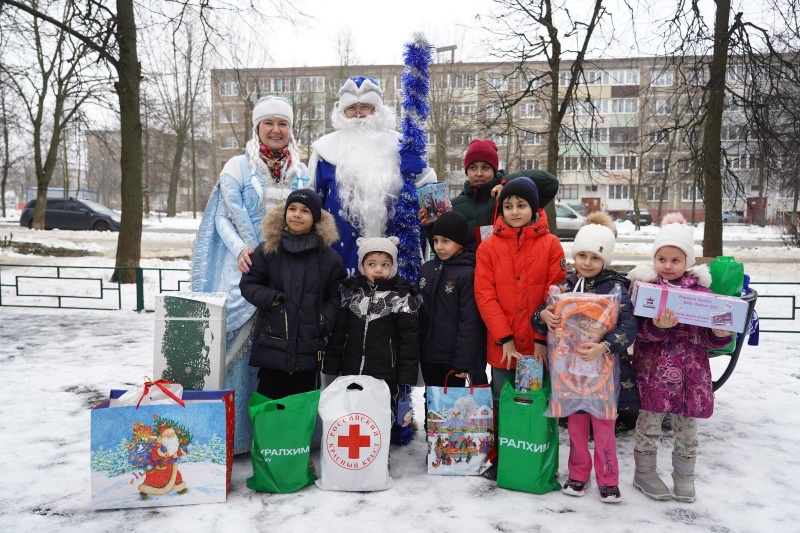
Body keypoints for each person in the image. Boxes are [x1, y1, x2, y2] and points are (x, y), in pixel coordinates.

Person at [191, 95, 310, 453]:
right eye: (269, 123)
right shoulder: (238, 166)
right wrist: (243, 248)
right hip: (243, 267)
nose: (276, 130)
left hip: (289, 270)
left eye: (283, 123)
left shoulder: (302, 171)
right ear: (257, 127)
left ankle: (279, 434)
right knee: (238, 352)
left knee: (285, 347)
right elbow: (221, 216)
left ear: (290, 129)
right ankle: (235, 437)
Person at [626, 212, 733, 503]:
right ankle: (644, 473)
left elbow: (711, 339)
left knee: (687, 430)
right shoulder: (645, 291)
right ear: (654, 260)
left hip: (691, 376)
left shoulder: (703, 294)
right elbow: (634, 331)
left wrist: (721, 332)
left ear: (687, 262)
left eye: (676, 260)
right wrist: (656, 327)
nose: (668, 265)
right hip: (654, 375)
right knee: (648, 426)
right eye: (662, 259)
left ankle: (684, 476)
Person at [532, 211, 637, 503]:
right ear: (574, 257)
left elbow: (630, 327)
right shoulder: (563, 288)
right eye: (582, 256)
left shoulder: (616, 288)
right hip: (571, 375)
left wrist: (605, 346)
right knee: (576, 429)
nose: (587, 263)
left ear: (606, 260)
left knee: (604, 429)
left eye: (595, 257)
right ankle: (578, 475)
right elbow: (542, 322)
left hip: (603, 375)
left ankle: (608, 478)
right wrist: (542, 316)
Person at [473, 178, 567, 479]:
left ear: (534, 208)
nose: (515, 211)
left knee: (537, 402)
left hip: (539, 345)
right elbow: (484, 295)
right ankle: (502, 456)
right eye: (509, 206)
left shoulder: (551, 244)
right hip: (504, 346)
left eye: (522, 205)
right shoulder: (488, 247)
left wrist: (541, 338)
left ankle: (534, 452)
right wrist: (505, 339)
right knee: (502, 400)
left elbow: (557, 293)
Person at [309, 76, 436, 274]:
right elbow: (312, 205)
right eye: (351, 108)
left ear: (377, 110)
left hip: (397, 257)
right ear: (342, 112)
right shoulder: (324, 151)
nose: (358, 114)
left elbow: (435, 201)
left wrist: (421, 173)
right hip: (341, 259)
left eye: (365, 107)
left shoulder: (402, 147)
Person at [239, 189, 346, 399]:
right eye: (292, 209)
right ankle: (269, 434)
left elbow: (336, 296)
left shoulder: (330, 258)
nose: (297, 214)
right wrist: (272, 299)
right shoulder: (268, 249)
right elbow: (248, 284)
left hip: (308, 347)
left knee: (300, 408)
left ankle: (298, 434)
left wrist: (324, 321)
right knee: (269, 406)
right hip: (272, 342)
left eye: (305, 211)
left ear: (315, 218)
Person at [323, 236, 420, 414]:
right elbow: (339, 333)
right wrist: (332, 364)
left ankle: (382, 442)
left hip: (385, 374)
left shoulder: (401, 297)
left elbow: (409, 341)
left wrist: (406, 375)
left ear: (393, 266)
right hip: (351, 370)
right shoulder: (351, 293)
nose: (378, 269)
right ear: (362, 266)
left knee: (379, 417)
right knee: (353, 415)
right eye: (372, 264)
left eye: (385, 264)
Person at [421, 139, 559, 248]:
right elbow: (444, 250)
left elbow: (550, 183)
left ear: (494, 170)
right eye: (473, 167)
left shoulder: (511, 198)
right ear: (466, 171)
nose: (479, 173)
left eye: (485, 167)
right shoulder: (455, 207)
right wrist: (430, 225)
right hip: (473, 280)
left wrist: (507, 183)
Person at [417, 211, 484, 414]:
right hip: (428, 353)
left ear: (460, 243)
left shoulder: (467, 273)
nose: (438, 246)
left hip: (453, 357)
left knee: (452, 403)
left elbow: (469, 320)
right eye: (436, 240)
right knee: (431, 398)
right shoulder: (427, 269)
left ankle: (450, 444)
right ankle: (433, 440)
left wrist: (463, 362)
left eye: (445, 241)